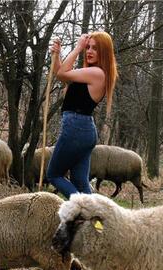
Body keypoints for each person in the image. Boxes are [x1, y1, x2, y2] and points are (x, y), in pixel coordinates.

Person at [46, 32, 117, 199]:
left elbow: (62, 74)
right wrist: (56, 56)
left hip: (75, 128)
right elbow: (61, 73)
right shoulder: (91, 73)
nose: (89, 51)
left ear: (104, 52)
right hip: (83, 130)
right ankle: (97, 222)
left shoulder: (97, 73)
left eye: (95, 48)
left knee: (54, 175)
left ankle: (86, 210)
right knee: (79, 180)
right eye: (88, 47)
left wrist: (78, 47)